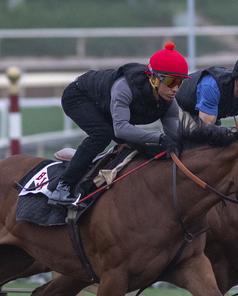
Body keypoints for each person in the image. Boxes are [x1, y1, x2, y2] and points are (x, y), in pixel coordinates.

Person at [47, 42, 190, 206]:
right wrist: (159, 138)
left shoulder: (169, 102)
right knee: (102, 134)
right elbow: (121, 129)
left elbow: (174, 138)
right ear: (153, 78)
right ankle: (62, 187)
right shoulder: (125, 87)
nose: (176, 89)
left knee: (142, 146)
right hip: (80, 96)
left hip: (107, 106)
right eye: (172, 81)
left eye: (181, 82)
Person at [176, 52, 238, 130]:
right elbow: (206, 129)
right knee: (197, 140)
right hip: (177, 106)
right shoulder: (212, 85)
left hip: (202, 114)